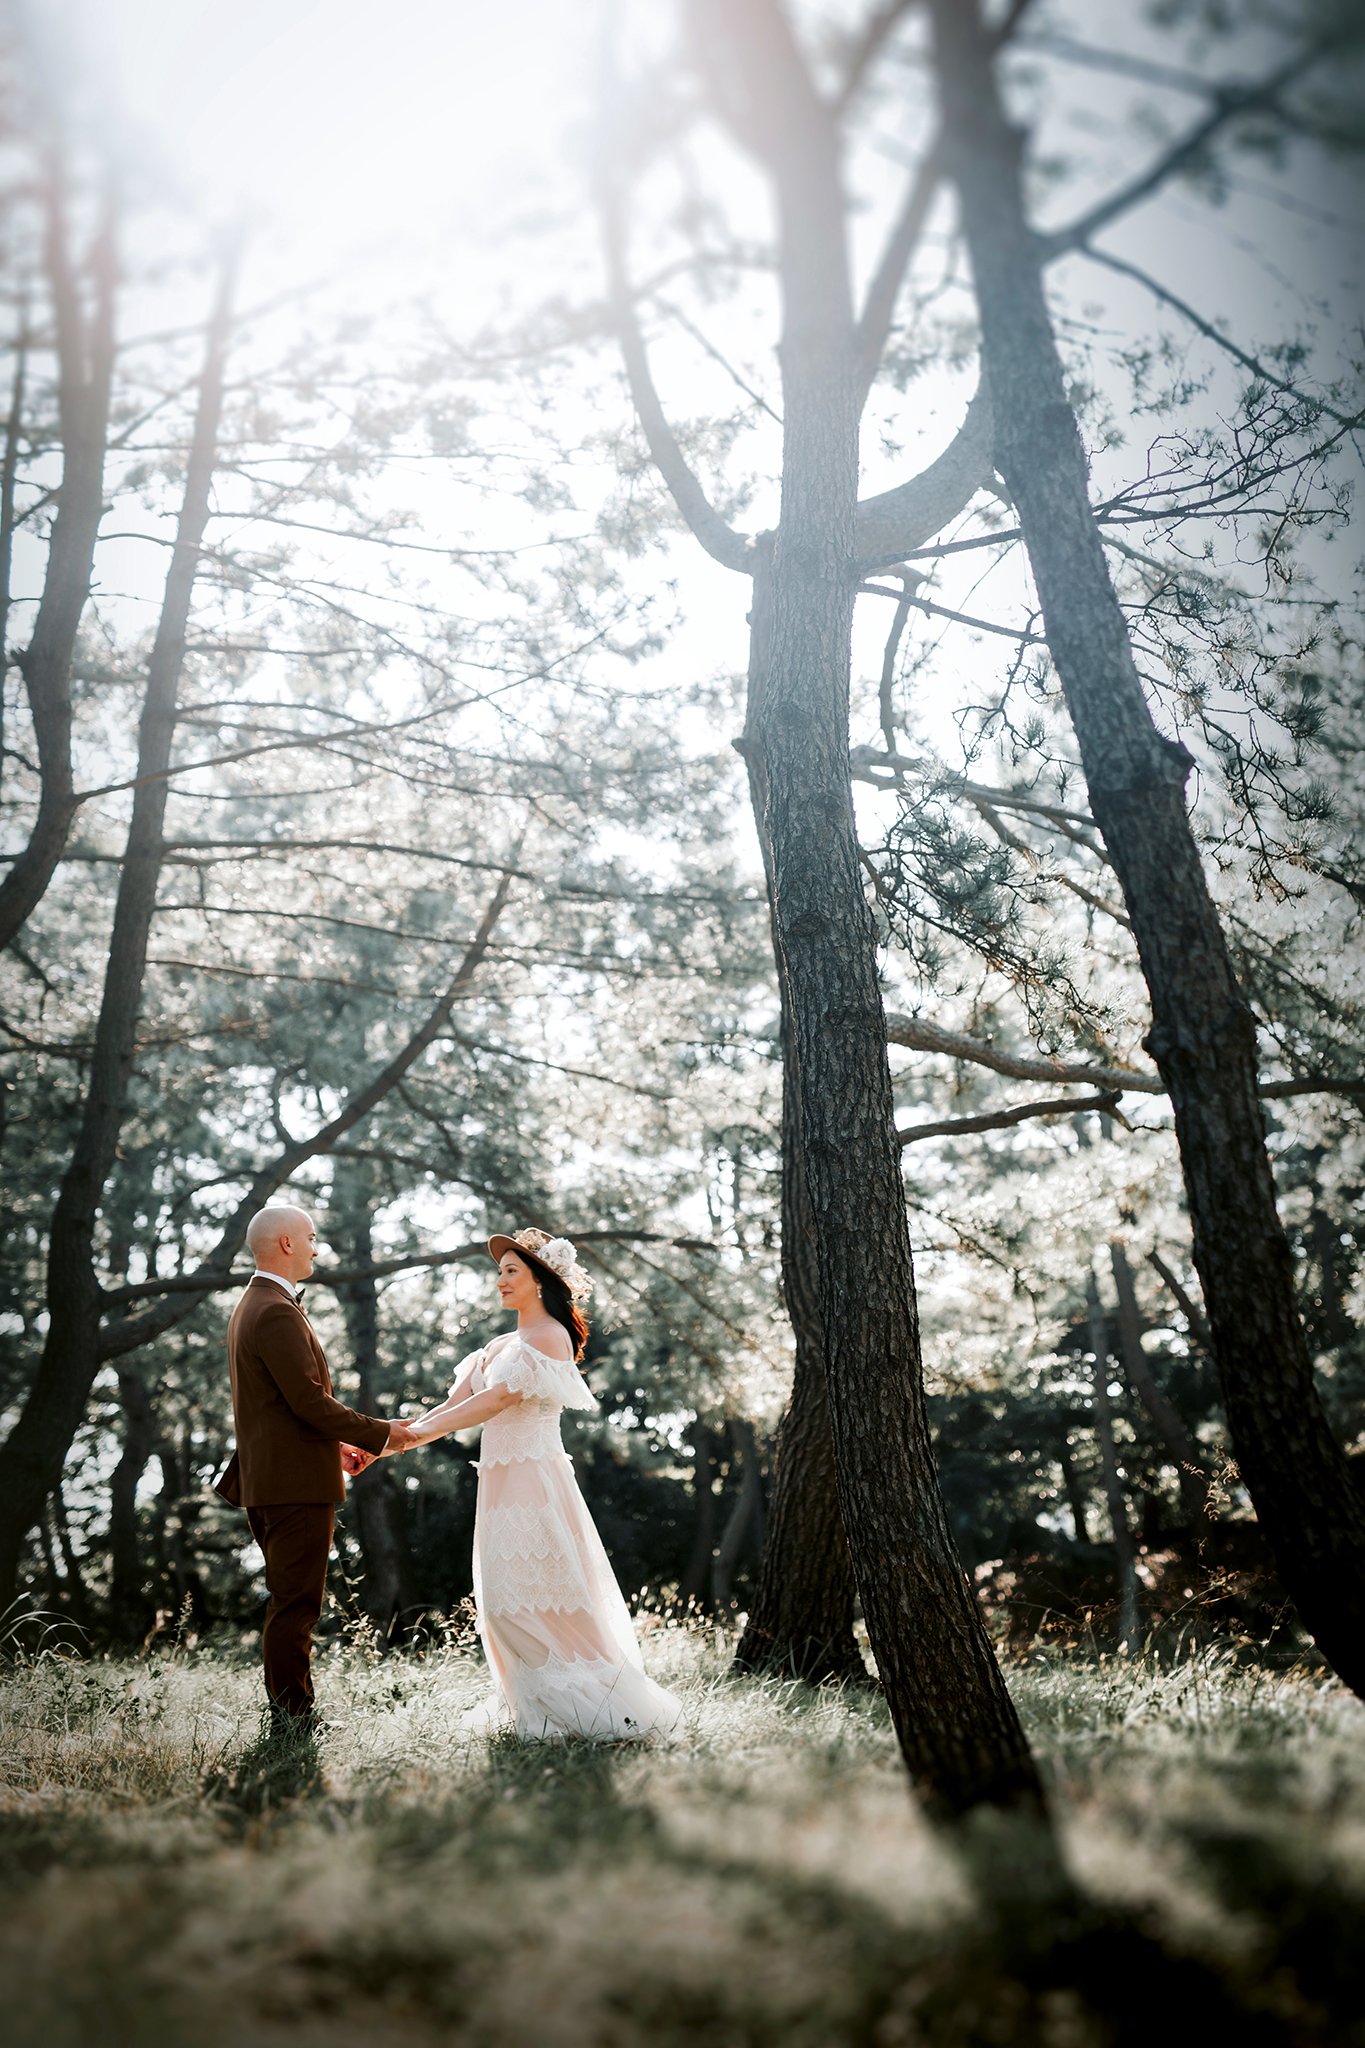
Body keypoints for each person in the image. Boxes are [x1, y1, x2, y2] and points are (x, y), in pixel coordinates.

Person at [395, 1228, 684, 1741]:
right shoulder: (497, 1345)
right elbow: (448, 1409)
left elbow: (493, 1402)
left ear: (540, 1280)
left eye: (512, 1271)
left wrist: (411, 1435)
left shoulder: (549, 1335)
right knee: (502, 1601)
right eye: (500, 1271)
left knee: (535, 1597)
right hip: (498, 1484)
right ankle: (534, 1709)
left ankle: (587, 1709)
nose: (500, 1279)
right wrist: (384, 1444)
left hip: (535, 1481)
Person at [215, 1203, 419, 1729]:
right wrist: (383, 1433)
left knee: (291, 1601)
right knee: (296, 1605)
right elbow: (307, 1401)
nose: (315, 1246)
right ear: (286, 1243)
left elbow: (278, 1408)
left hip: (273, 1479)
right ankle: (292, 1717)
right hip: (292, 1487)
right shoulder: (276, 1309)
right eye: (309, 1237)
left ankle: (290, 1712)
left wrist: (332, 1448)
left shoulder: (251, 1305)